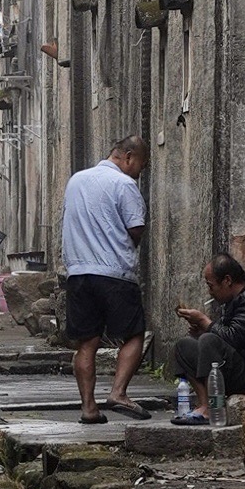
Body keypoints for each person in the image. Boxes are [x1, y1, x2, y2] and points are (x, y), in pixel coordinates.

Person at [59, 136, 149, 423]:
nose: (139, 172)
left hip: (78, 273)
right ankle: (118, 392)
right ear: (128, 157)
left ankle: (88, 408)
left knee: (87, 343)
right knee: (134, 334)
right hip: (114, 273)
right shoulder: (124, 184)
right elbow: (136, 229)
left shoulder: (76, 180)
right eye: (140, 166)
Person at [171, 253, 245, 423]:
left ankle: (211, 408)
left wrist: (203, 321)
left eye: (211, 286)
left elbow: (233, 338)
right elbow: (225, 335)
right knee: (184, 346)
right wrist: (199, 331)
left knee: (208, 340)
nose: (210, 292)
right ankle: (205, 404)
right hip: (234, 366)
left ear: (227, 280)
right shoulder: (233, 300)